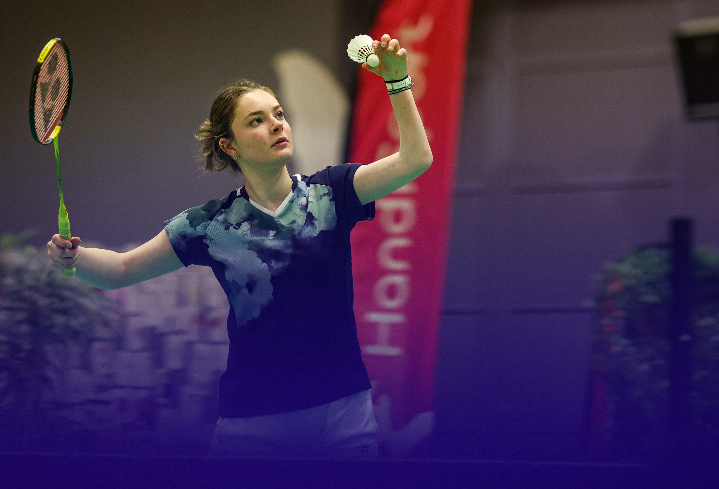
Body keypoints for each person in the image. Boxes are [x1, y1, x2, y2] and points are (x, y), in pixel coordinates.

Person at [47, 33, 432, 458]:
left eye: (279, 114)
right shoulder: (210, 225)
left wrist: (397, 82)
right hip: (253, 423)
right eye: (256, 120)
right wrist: (73, 259)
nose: (277, 124)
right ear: (228, 146)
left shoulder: (333, 192)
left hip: (342, 414)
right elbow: (122, 270)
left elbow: (416, 159)